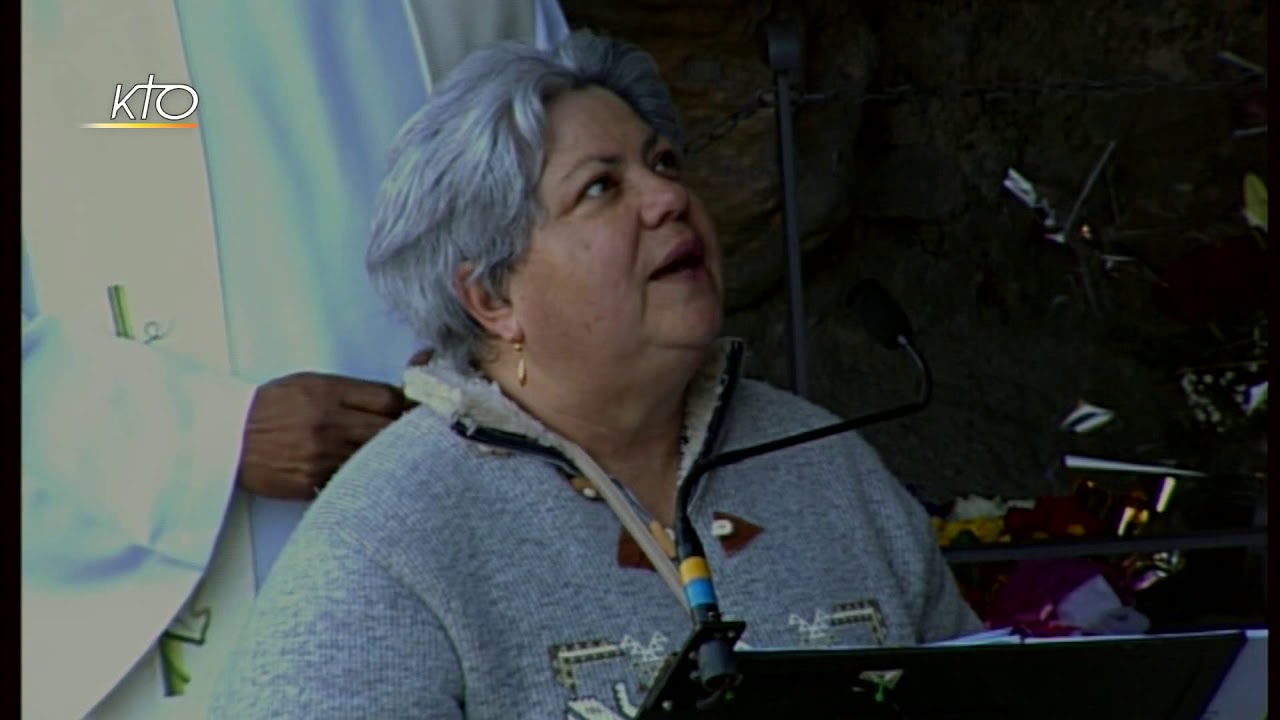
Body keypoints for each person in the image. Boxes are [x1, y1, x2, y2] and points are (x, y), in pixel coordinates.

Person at [210, 30, 982, 719]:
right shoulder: (386, 542)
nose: (670, 198)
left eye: (665, 163)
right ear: (493, 296)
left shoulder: (827, 461)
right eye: (602, 187)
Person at [20, 1, 569, 718]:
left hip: (465, 541)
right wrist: (203, 440)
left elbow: (576, 189)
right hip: (188, 581)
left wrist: (505, 371)